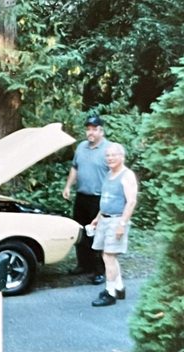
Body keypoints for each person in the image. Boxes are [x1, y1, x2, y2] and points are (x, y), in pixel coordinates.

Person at [62, 114, 109, 285]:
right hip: (82, 196)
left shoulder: (108, 149)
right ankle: (83, 265)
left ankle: (99, 271)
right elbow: (75, 168)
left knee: (97, 234)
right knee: (81, 232)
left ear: (101, 131)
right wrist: (68, 186)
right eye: (88, 129)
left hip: (99, 199)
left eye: (94, 129)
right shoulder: (81, 147)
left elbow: (115, 174)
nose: (90, 132)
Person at [90, 143, 138, 307]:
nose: (110, 158)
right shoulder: (109, 174)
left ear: (121, 157)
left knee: (109, 256)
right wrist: (98, 217)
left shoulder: (127, 175)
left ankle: (110, 293)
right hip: (105, 219)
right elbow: (106, 199)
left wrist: (122, 224)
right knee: (108, 255)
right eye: (107, 156)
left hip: (117, 220)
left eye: (113, 155)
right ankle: (119, 287)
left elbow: (131, 202)